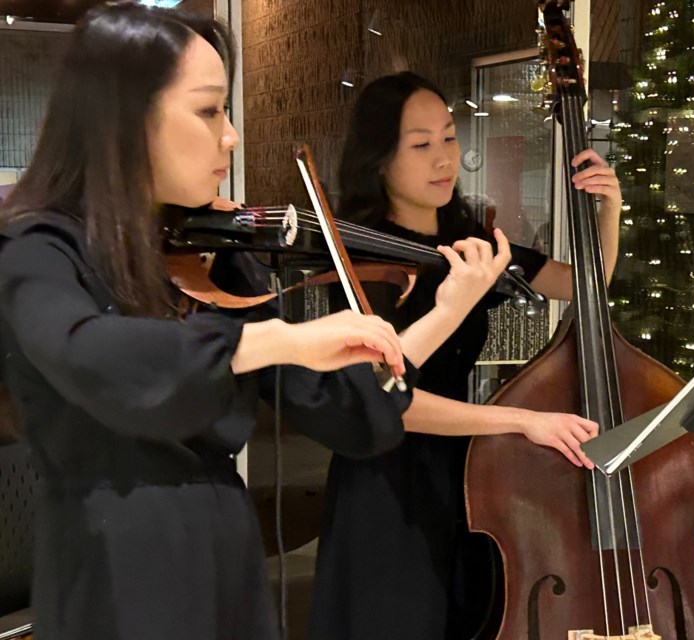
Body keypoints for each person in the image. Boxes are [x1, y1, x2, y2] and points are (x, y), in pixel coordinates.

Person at [0, 8, 511, 640]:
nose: (232, 135)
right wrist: (269, 338)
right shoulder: (39, 249)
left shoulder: (214, 256)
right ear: (125, 119)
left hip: (226, 555)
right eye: (210, 110)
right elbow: (89, 353)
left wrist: (446, 311)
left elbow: (342, 409)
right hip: (112, 567)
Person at [309, 72, 623, 640]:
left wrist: (610, 209)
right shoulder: (361, 255)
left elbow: (588, 284)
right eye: (421, 144)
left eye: (450, 138)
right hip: (387, 482)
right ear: (380, 159)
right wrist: (521, 419)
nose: (444, 158)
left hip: (467, 478)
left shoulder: (471, 241)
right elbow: (387, 399)